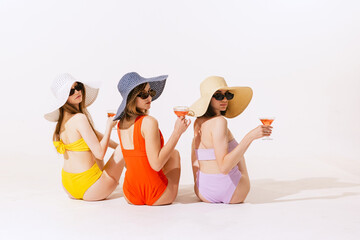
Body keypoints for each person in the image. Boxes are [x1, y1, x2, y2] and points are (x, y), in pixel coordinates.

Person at [189, 76, 272, 204]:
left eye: (227, 95)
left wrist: (199, 184)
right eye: (218, 95)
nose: (224, 99)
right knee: (238, 153)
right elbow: (224, 168)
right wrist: (250, 137)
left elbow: (195, 161)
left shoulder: (198, 123)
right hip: (231, 192)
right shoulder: (220, 122)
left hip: (203, 192)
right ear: (208, 100)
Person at [113, 72, 190, 205]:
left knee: (162, 156)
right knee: (175, 154)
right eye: (143, 94)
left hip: (130, 194)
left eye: (150, 92)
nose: (149, 97)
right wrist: (177, 132)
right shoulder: (149, 122)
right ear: (131, 98)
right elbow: (156, 164)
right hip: (157, 195)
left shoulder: (121, 124)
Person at [44, 73, 125, 201]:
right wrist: (109, 126)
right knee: (125, 147)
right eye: (70, 91)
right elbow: (99, 154)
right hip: (90, 187)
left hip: (68, 186)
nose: (77, 91)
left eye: (78, 86)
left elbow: (96, 136)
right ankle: (140, 178)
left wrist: (116, 147)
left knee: (116, 147)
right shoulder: (80, 118)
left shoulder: (62, 122)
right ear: (64, 98)